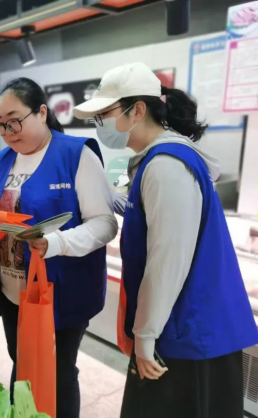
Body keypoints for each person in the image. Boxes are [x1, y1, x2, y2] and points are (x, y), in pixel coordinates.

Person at [73, 62, 258, 418]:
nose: (100, 124)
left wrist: (145, 335)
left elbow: (167, 260)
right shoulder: (154, 160)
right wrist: (108, 198)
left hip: (189, 333)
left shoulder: (165, 165)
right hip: (181, 326)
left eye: (104, 114)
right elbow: (155, 219)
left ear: (137, 110)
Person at [0, 77, 117, 417]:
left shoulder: (75, 155)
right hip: (13, 292)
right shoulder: (3, 160)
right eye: (1, 125)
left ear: (42, 112)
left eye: (15, 120)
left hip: (60, 292)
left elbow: (105, 224)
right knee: (22, 362)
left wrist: (56, 243)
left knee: (57, 372)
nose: (8, 131)